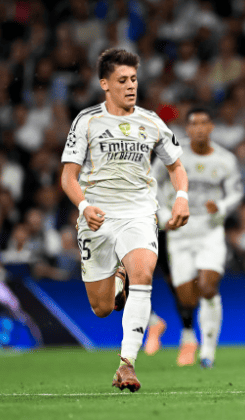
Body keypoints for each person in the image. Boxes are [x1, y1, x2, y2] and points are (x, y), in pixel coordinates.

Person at [60, 48, 189, 392]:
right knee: (102, 307)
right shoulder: (87, 121)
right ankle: (118, 281)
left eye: (133, 79)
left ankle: (127, 364)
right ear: (105, 84)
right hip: (98, 218)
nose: (131, 85)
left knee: (143, 274)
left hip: (139, 213)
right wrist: (84, 206)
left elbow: (176, 165)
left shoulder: (151, 121)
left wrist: (181, 196)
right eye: (122, 80)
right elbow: (68, 177)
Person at [147, 106, 243, 368]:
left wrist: (221, 206)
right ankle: (195, 333)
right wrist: (164, 213)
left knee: (209, 288)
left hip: (210, 230)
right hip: (179, 232)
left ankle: (207, 351)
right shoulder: (171, 154)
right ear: (187, 129)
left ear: (211, 127)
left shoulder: (225, 159)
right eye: (194, 124)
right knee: (187, 299)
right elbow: (151, 184)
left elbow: (235, 192)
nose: (199, 128)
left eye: (204, 123)